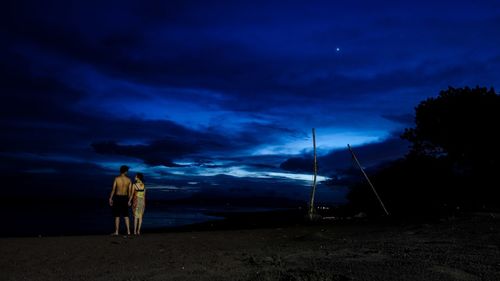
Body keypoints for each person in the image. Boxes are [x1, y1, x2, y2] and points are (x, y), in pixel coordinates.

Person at [109, 165, 132, 236]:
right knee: (126, 216)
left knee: (117, 216)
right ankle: (128, 231)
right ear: (125, 171)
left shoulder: (116, 179)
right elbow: (130, 192)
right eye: (127, 171)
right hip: (125, 198)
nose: (127, 172)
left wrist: (110, 198)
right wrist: (129, 201)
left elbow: (113, 190)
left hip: (117, 198)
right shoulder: (129, 180)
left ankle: (116, 232)